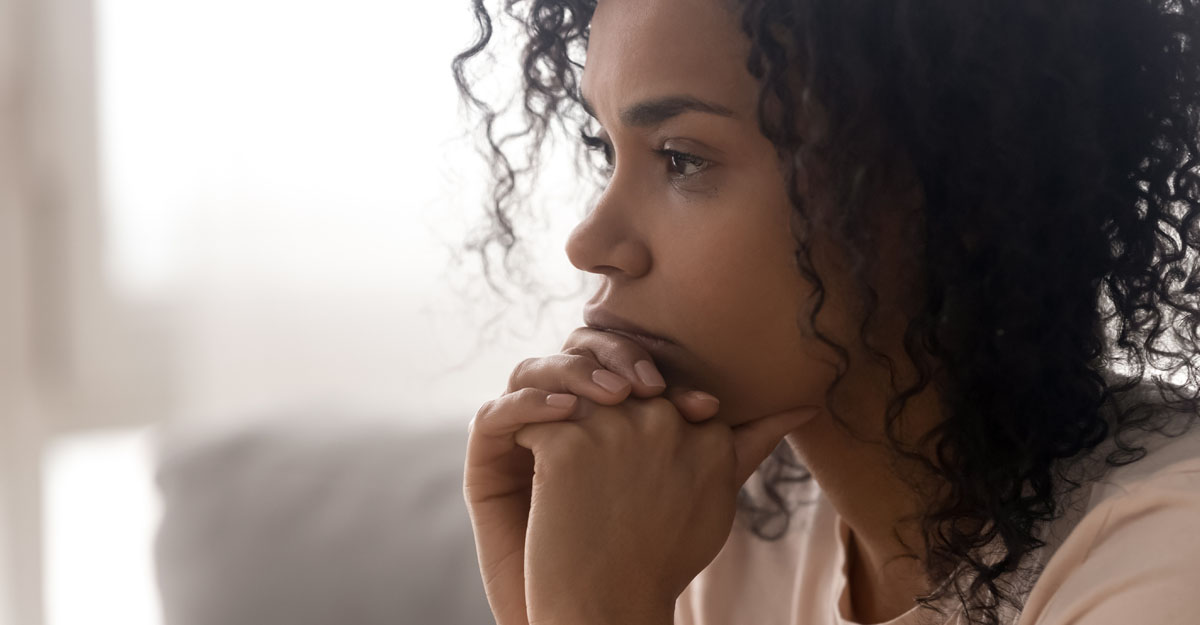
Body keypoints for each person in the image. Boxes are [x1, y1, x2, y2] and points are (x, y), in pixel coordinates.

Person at [452, 1, 1200, 624]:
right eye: (606, 146)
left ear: (949, 186)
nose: (590, 242)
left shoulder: (1172, 551)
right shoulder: (703, 522)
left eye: (682, 157)